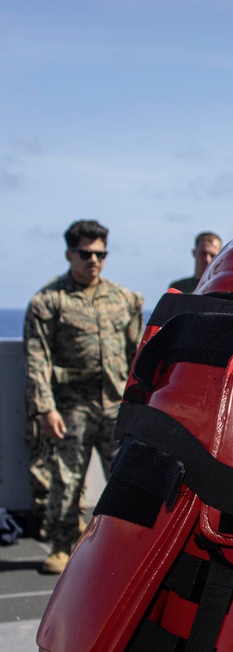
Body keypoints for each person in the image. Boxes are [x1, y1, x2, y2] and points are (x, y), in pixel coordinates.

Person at [23, 219, 144, 575]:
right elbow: (37, 359)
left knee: (126, 478)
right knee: (66, 479)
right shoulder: (49, 302)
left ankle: (128, 544)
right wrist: (45, 408)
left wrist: (142, 401)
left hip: (116, 405)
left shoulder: (124, 299)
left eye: (101, 254)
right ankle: (61, 547)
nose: (94, 260)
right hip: (72, 404)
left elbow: (139, 352)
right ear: (70, 253)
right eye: (87, 253)